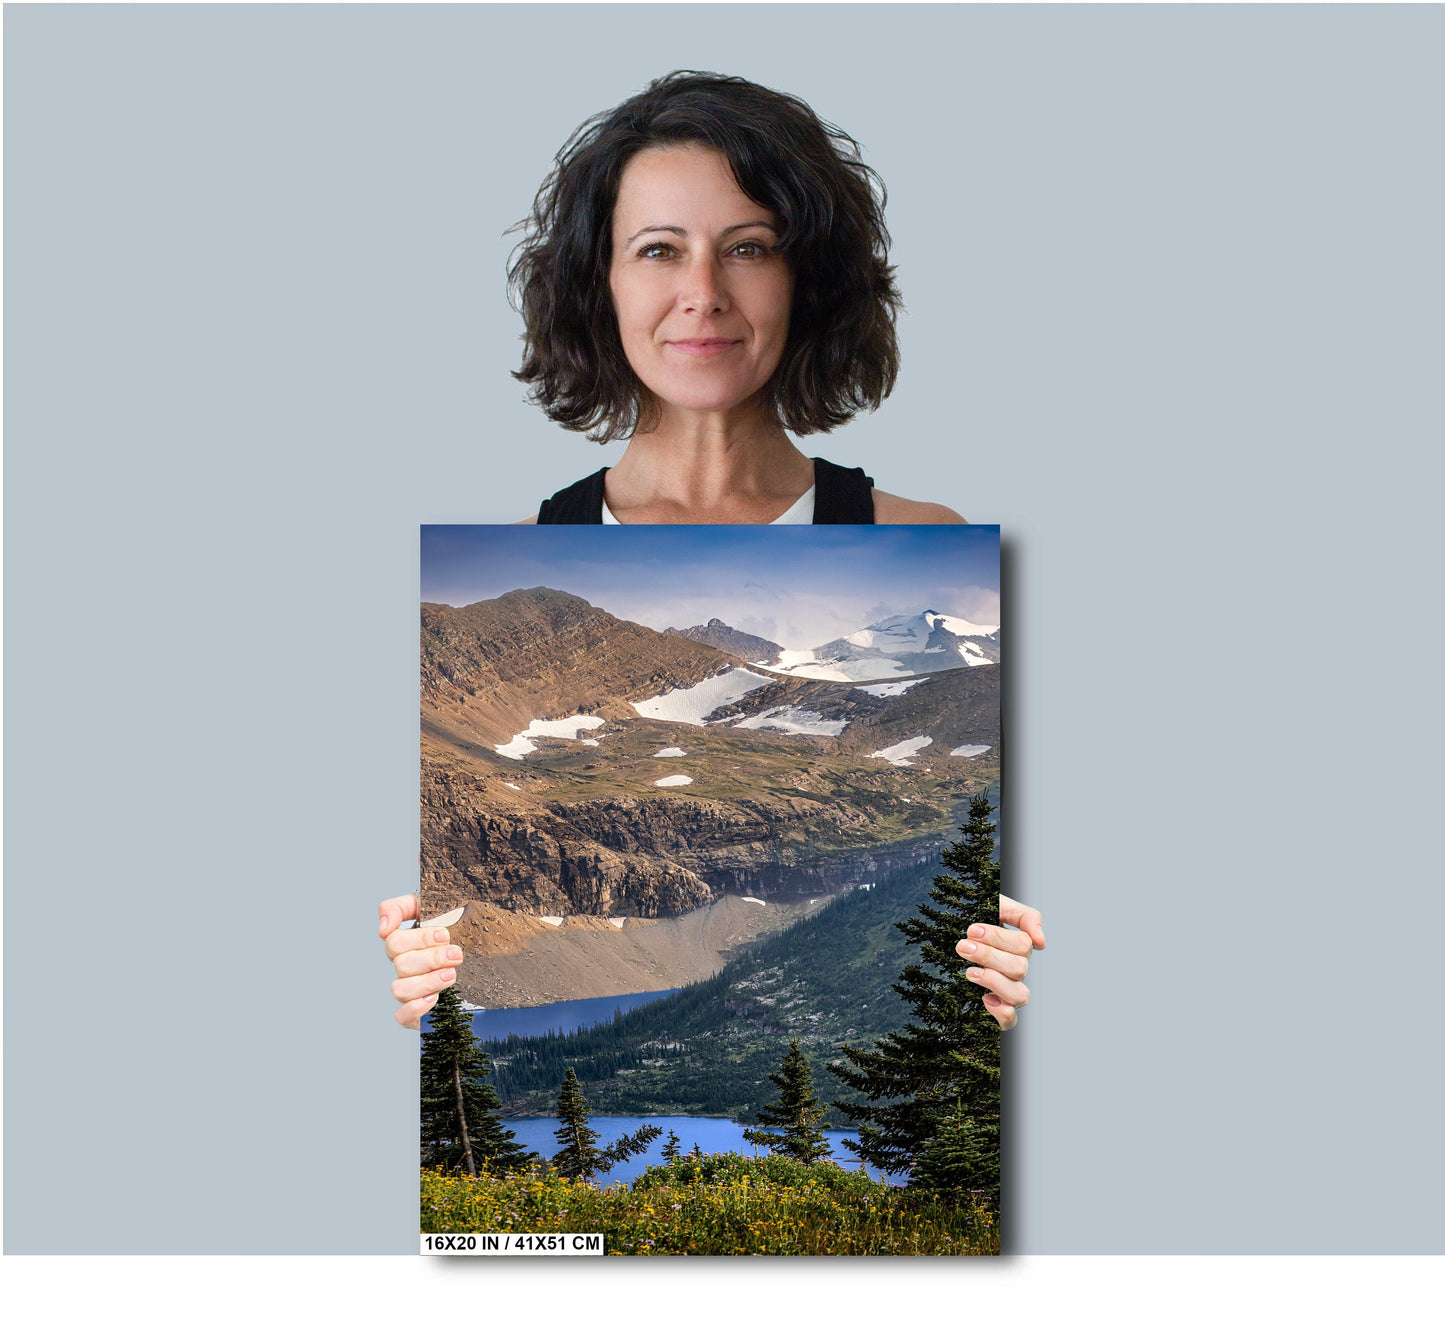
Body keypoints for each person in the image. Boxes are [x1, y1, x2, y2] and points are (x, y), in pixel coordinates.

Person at [383, 71, 1045, 1032]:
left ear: (807, 280)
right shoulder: (499, 562)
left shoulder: (937, 535)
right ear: (598, 282)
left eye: (749, 249)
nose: (702, 294)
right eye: (658, 250)